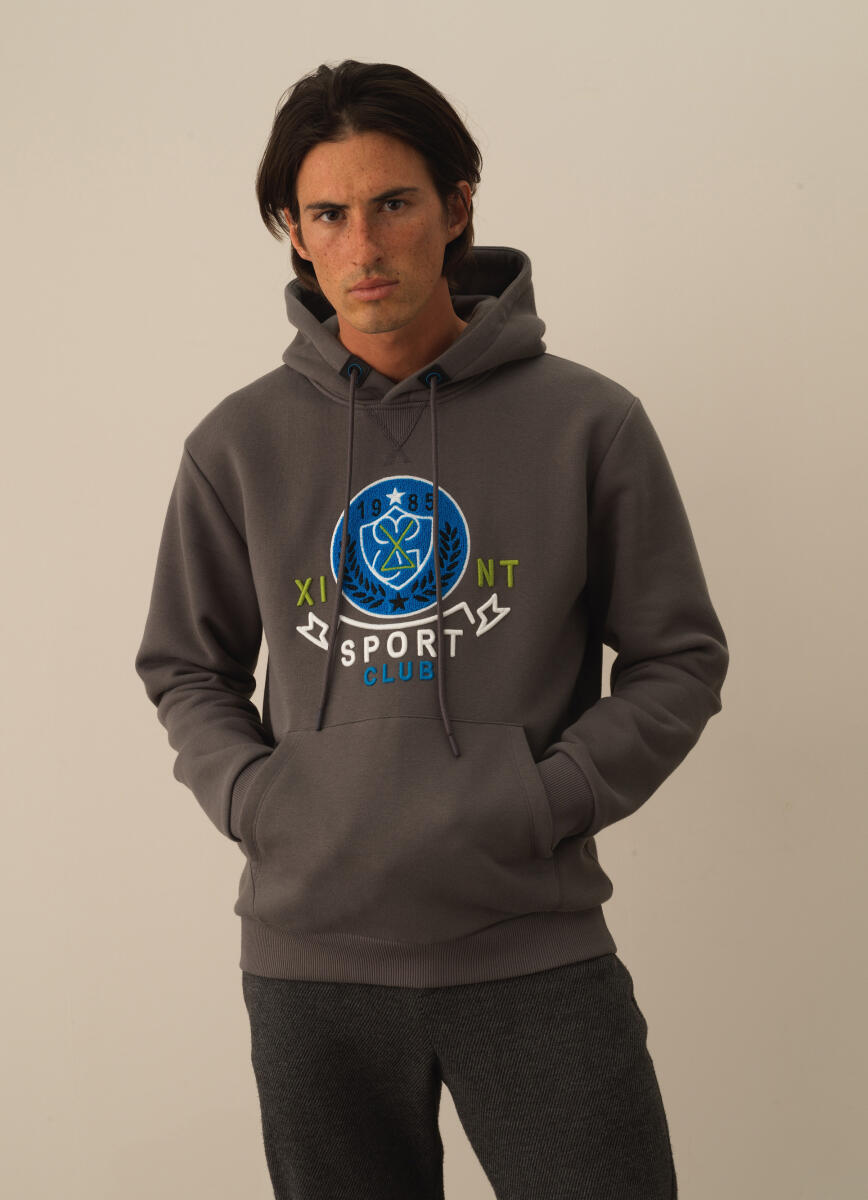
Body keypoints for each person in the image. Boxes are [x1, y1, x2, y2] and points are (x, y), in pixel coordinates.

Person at [134, 58, 729, 1200]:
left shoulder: (589, 424)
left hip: (532, 947)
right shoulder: (237, 445)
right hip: (312, 967)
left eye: (393, 204)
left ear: (456, 206)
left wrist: (545, 799)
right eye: (328, 214)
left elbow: (679, 658)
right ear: (294, 234)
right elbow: (185, 665)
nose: (363, 246)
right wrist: (264, 802)